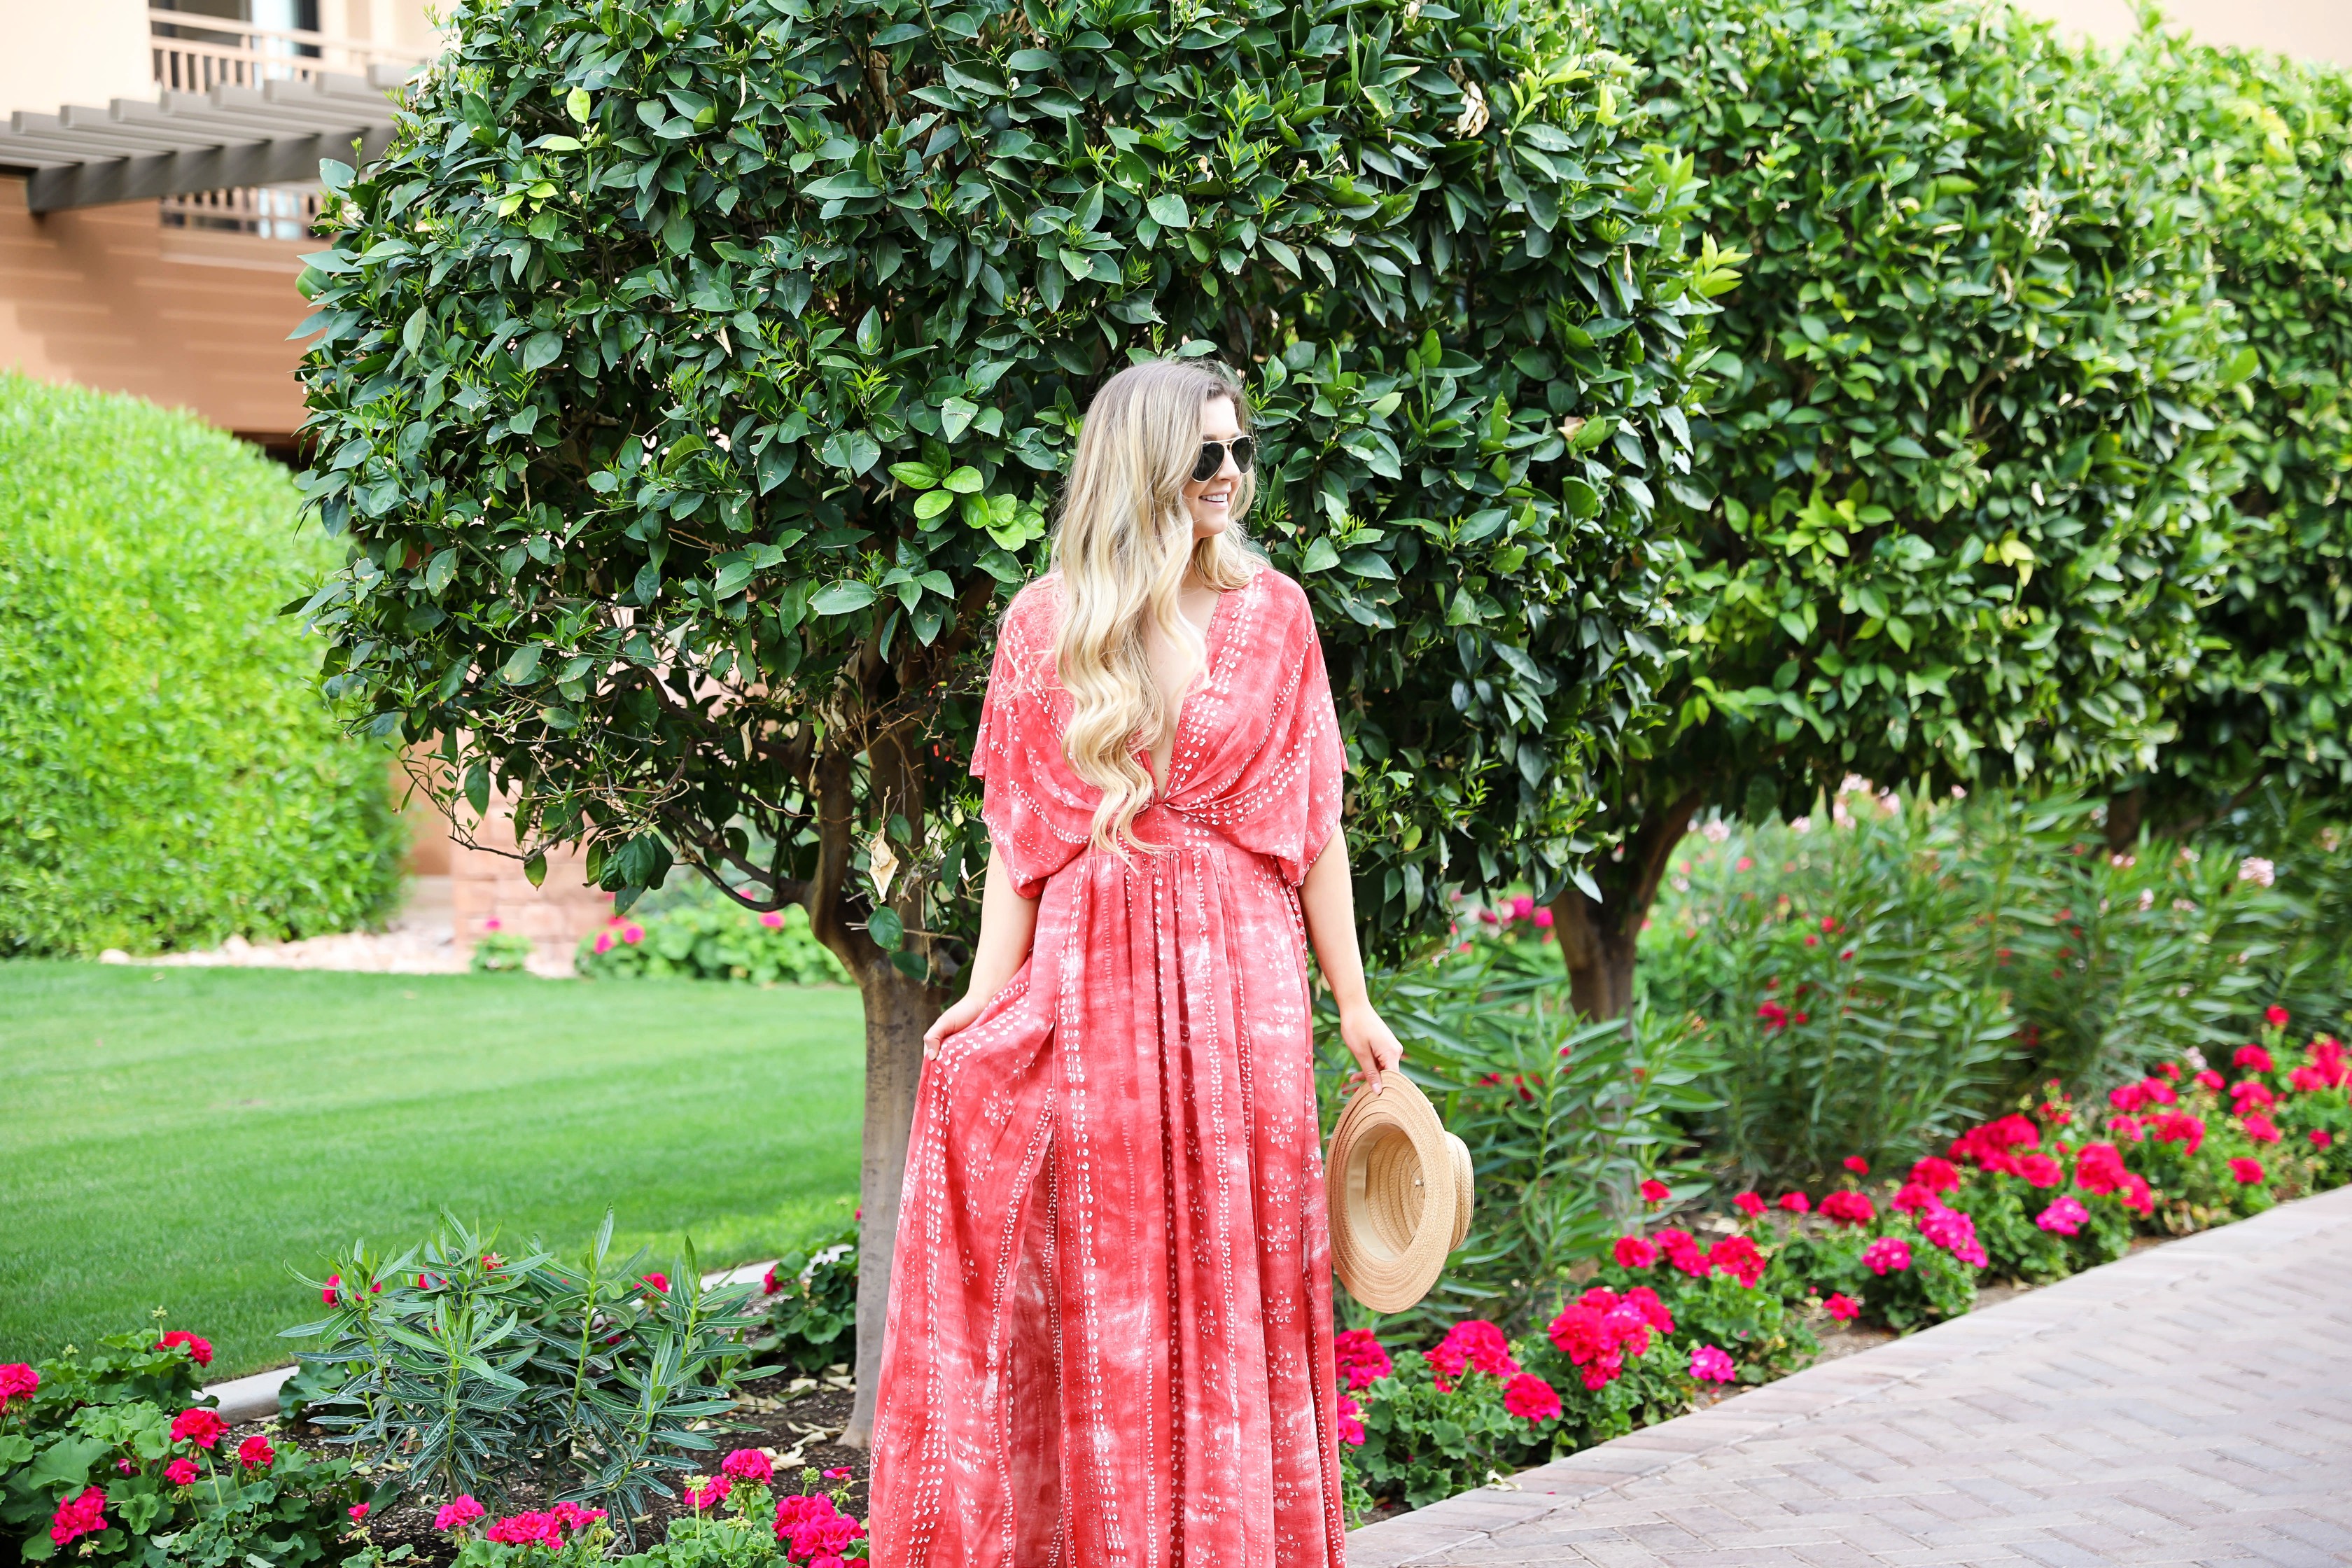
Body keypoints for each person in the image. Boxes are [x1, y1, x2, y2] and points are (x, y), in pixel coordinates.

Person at [868, 358, 1405, 1566]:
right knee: (1109, 1266)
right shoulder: (1046, 623)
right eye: (1204, 453)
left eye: (1240, 452)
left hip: (1248, 982)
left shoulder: (1280, 615)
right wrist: (981, 997)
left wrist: (1354, 1000)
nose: (1229, 475)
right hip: (1094, 973)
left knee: (1239, 1269)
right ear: (1145, 462)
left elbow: (1315, 826)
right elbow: (1021, 840)